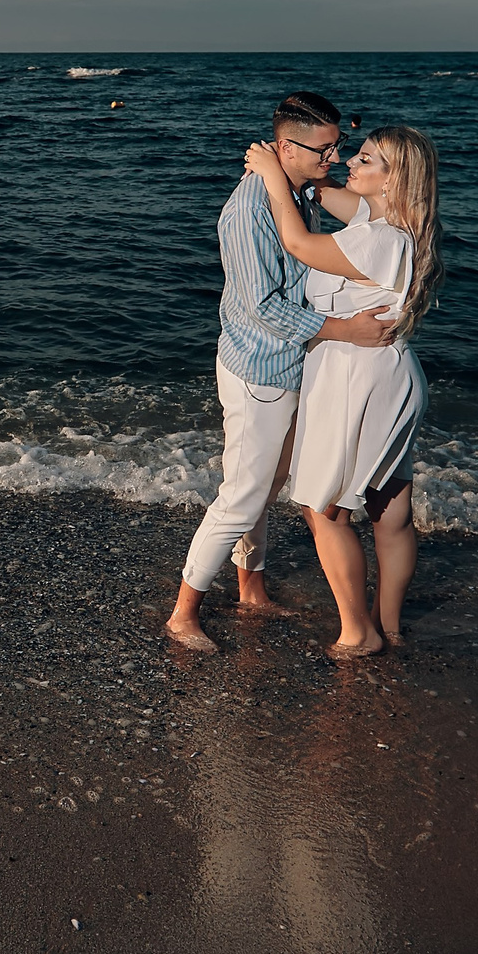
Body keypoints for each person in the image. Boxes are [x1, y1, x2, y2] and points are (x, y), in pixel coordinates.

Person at [163, 92, 398, 654]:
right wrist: (346, 331)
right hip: (260, 372)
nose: (336, 157)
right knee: (242, 495)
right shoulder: (248, 212)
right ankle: (183, 612)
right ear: (286, 146)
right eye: (326, 148)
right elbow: (264, 306)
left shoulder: (293, 191)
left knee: (266, 488)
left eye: (341, 145)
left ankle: (252, 590)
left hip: (293, 365)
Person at [244, 126, 439, 657]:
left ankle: (360, 632)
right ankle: (391, 625)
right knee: (390, 507)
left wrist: (268, 174)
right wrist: (303, 173)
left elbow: (298, 243)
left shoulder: (376, 238)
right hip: (392, 374)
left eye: (366, 159)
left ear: (392, 178)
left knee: (325, 506)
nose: (351, 161)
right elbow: (332, 197)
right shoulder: (392, 224)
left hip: (355, 377)